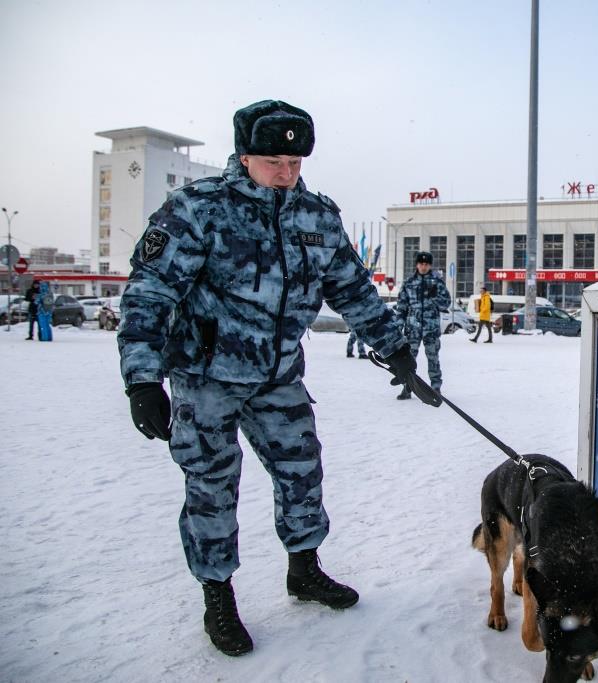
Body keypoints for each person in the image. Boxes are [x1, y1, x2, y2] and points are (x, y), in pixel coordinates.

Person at [117, 99, 429, 657]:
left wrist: (397, 350)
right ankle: (218, 594)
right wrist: (142, 381)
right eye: (273, 161)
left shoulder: (317, 216)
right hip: (206, 378)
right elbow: (150, 293)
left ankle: (303, 569)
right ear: (243, 156)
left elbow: (353, 289)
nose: (286, 173)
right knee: (212, 488)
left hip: (278, 374)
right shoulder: (197, 209)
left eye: (295, 162)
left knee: (302, 471)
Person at [393, 251, 450, 398]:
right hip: (413, 328)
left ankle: (435, 387)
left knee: (433, 358)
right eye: (421, 264)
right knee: (409, 359)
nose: (423, 267)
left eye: (426, 264)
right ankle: (408, 388)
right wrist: (398, 325)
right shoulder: (409, 283)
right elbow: (402, 306)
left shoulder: (437, 282)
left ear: (430, 265)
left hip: (431, 328)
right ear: (417, 265)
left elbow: (446, 303)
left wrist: (434, 297)